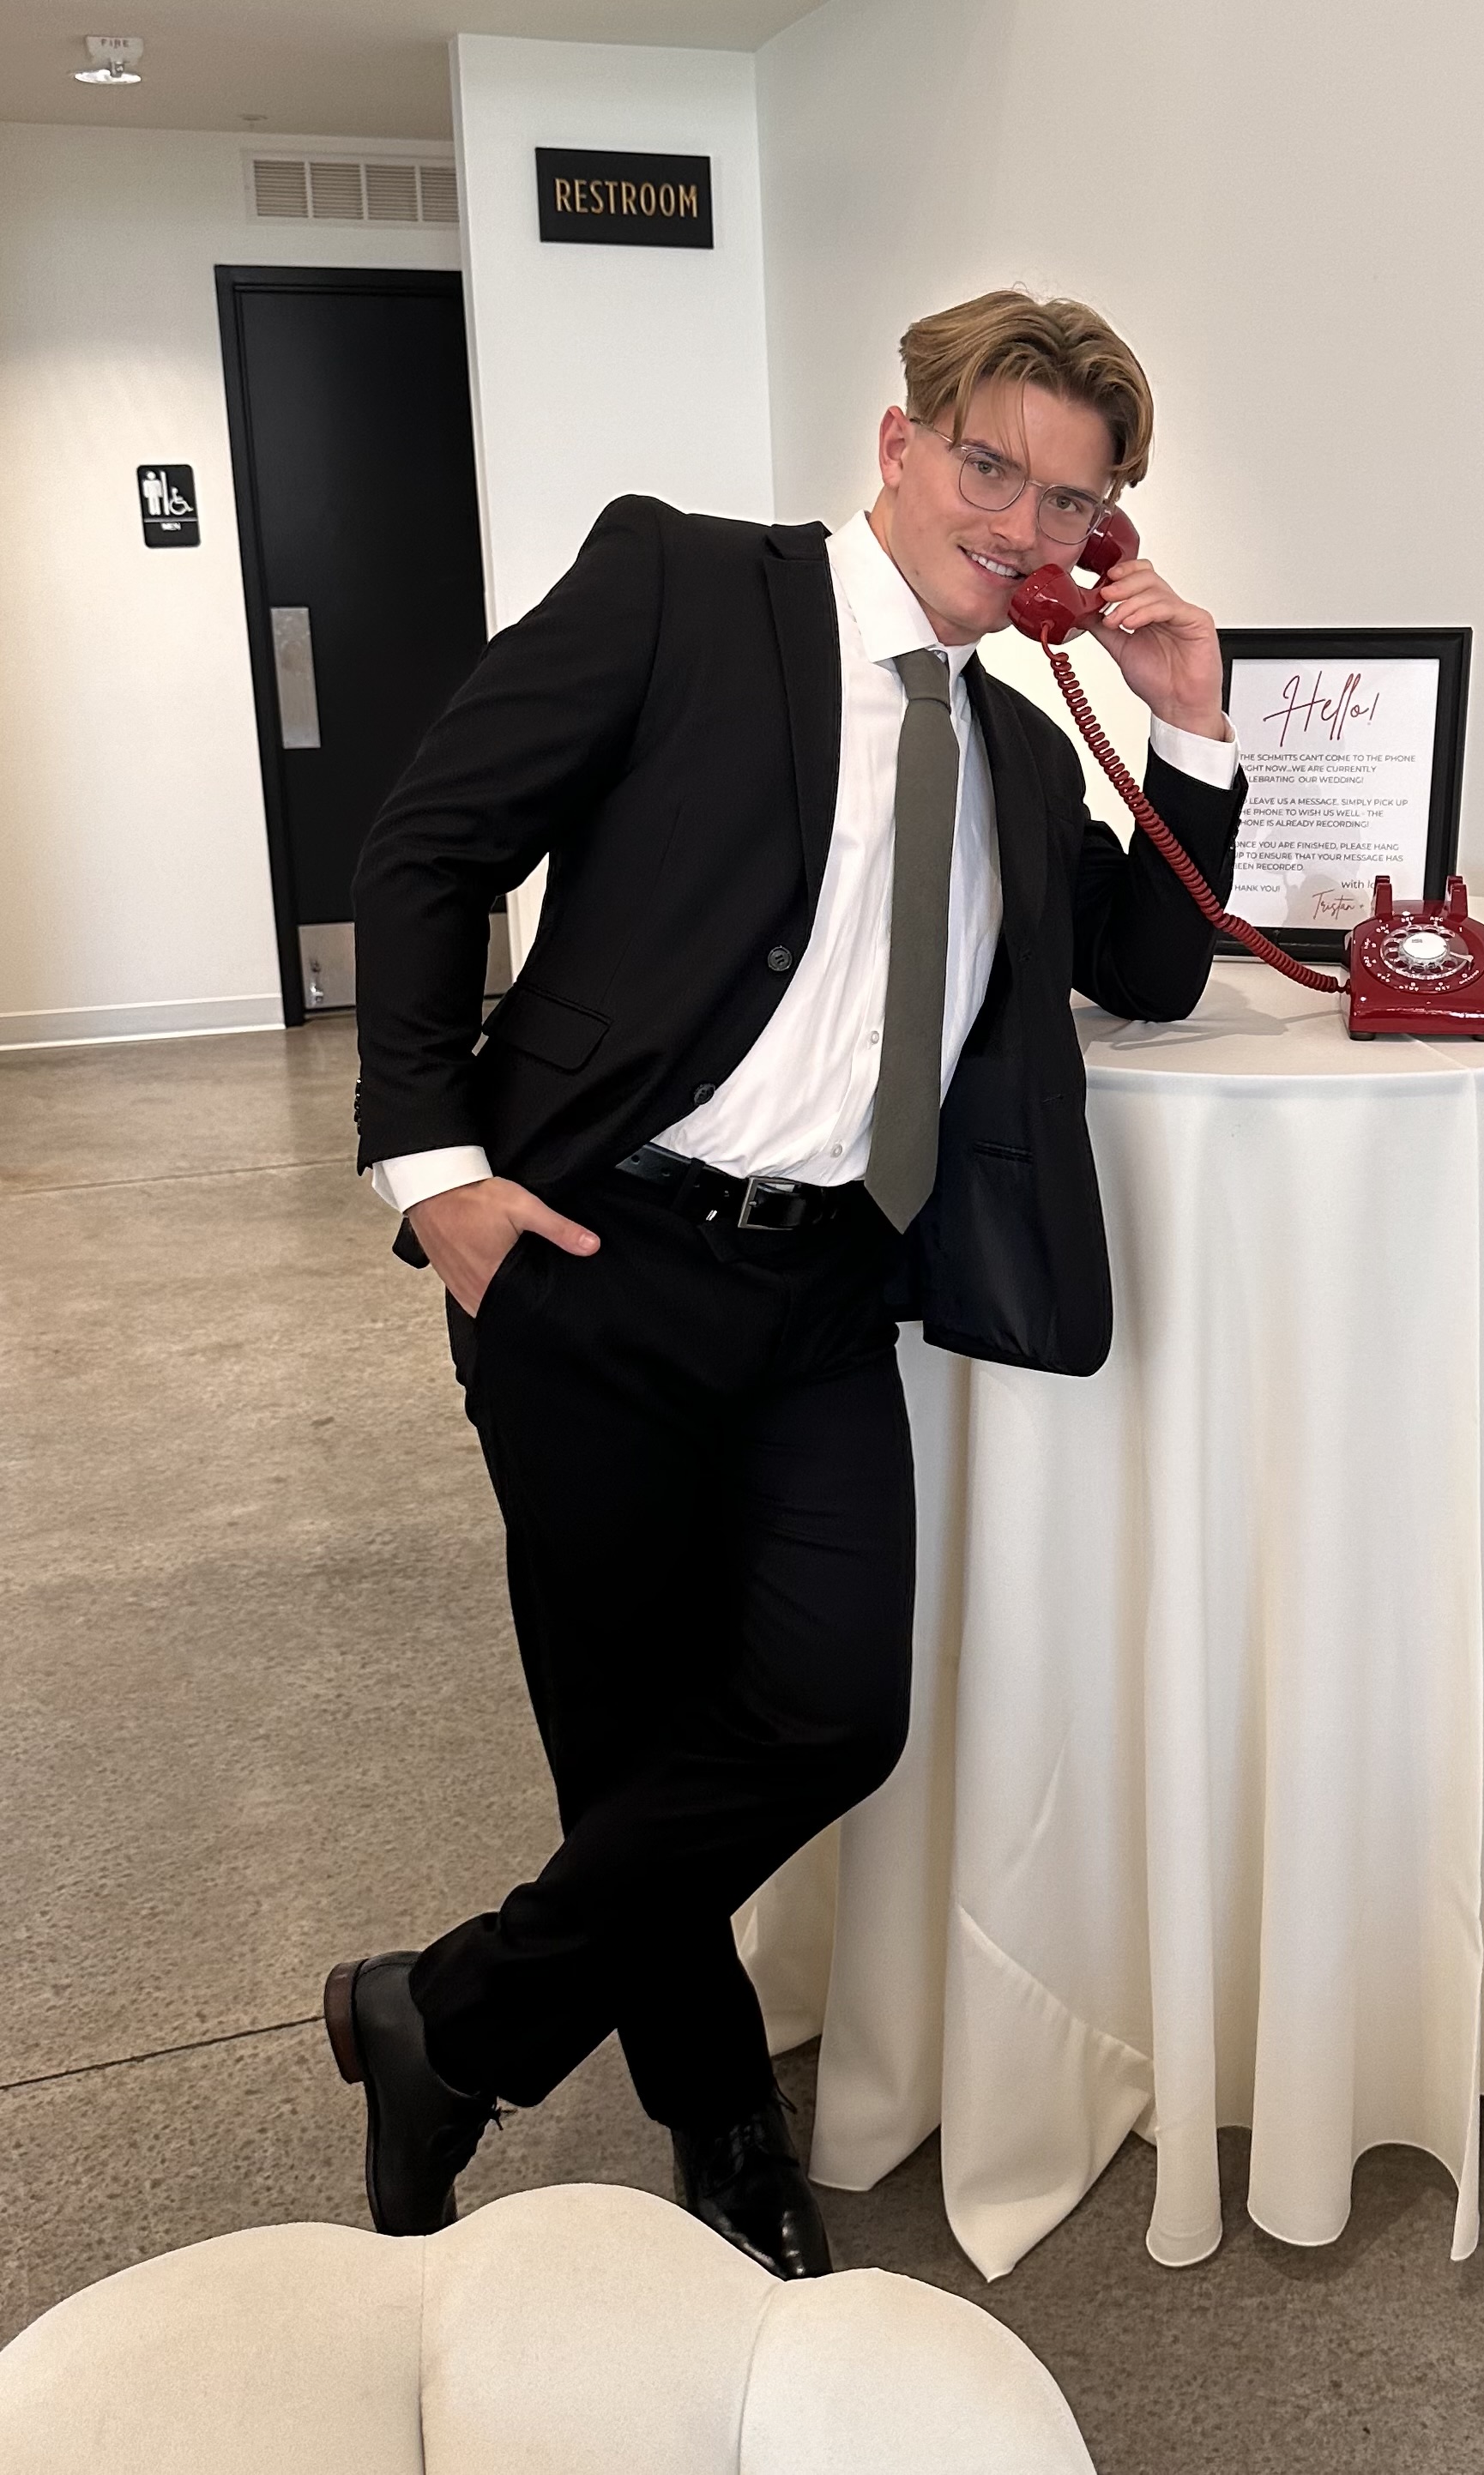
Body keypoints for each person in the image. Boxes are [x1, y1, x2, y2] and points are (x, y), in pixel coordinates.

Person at [326, 288, 1244, 2277]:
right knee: (628, 1730)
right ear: (899, 446)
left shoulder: (1009, 740)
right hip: (589, 1255)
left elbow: (1148, 966)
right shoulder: (680, 586)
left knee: (831, 1709)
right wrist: (440, 1173)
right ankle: (722, 2122)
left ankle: (447, 2017)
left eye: (1068, 501)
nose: (1018, 524)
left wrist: (1186, 718)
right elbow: (426, 843)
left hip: (824, 1287)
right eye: (990, 466)